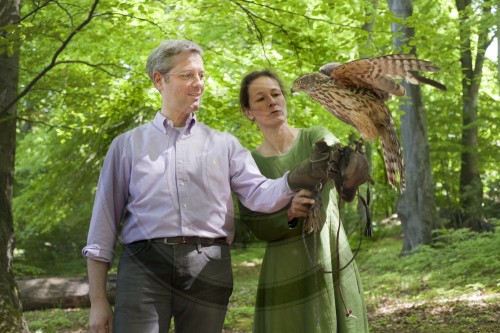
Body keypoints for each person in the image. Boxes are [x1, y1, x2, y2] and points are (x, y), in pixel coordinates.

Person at [82, 40, 333, 333]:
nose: (198, 83)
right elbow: (103, 227)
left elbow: (259, 194)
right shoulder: (127, 145)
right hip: (143, 268)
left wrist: (295, 177)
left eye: (201, 75)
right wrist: (98, 300)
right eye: (188, 75)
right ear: (159, 80)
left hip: (209, 266)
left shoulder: (223, 144)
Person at [238, 69, 370, 332]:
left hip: (331, 251)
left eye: (276, 94)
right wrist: (287, 214)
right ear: (248, 111)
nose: (272, 102)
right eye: (261, 99)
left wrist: (347, 167)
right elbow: (253, 224)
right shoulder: (250, 163)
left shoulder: (314, 136)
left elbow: (336, 156)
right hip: (285, 266)